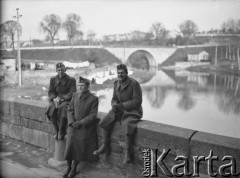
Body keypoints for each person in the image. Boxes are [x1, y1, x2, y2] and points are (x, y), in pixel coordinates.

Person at [93, 64, 143, 164]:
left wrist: (122, 105)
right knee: (105, 121)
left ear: (127, 73)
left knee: (128, 125)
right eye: (119, 73)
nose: (120, 75)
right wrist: (114, 104)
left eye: (122, 73)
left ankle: (128, 153)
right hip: (119, 109)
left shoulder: (134, 84)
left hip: (132, 110)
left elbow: (137, 101)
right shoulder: (116, 83)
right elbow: (114, 98)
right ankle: (104, 146)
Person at [63, 77, 99, 178]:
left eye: (82, 86)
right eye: (79, 85)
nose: (80, 87)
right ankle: (68, 167)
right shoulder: (75, 95)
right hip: (72, 126)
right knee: (69, 147)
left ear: (87, 86)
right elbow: (69, 110)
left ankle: (74, 168)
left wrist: (81, 123)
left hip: (83, 128)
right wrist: (71, 122)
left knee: (79, 148)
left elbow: (93, 115)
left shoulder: (94, 99)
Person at [46, 63, 76, 140]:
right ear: (56, 70)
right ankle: (56, 129)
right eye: (58, 70)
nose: (60, 72)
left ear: (65, 70)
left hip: (66, 101)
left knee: (63, 109)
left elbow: (72, 92)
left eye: (62, 70)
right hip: (56, 100)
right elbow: (50, 91)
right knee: (51, 108)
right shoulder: (53, 80)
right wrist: (53, 98)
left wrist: (63, 98)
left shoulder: (71, 80)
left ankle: (62, 131)